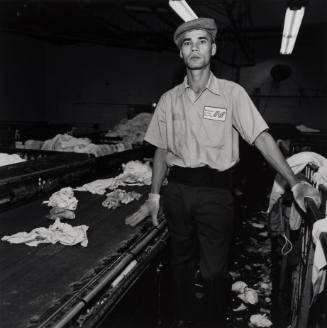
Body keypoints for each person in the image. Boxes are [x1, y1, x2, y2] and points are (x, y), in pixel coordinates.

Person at [125, 18, 321, 328]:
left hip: (215, 191)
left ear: (213, 48)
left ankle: (213, 320)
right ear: (180, 53)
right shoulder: (168, 100)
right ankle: (185, 319)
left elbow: (261, 137)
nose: (194, 47)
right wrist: (154, 195)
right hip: (177, 190)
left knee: (214, 271)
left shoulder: (232, 94)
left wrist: (294, 182)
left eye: (202, 41)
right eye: (187, 43)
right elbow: (161, 150)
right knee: (180, 263)